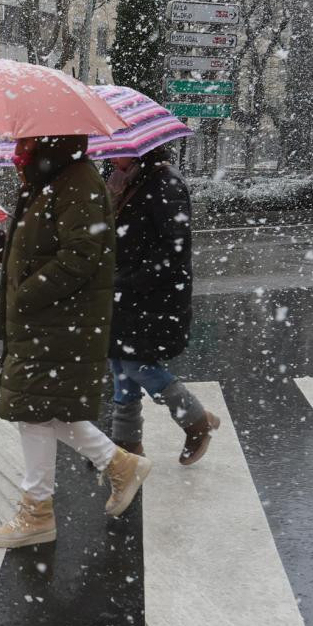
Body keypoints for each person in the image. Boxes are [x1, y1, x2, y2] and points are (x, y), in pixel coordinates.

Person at [0, 135, 153, 549]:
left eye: (27, 133)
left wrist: (25, 295)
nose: (18, 139)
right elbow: (42, 245)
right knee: (37, 406)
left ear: (47, 136)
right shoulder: (47, 176)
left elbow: (81, 253)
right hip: (45, 319)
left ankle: (41, 510)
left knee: (34, 407)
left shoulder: (74, 179)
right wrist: (5, 248)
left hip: (58, 319)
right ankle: (113, 466)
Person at [107, 146, 219, 464]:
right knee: (119, 362)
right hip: (125, 293)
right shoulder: (126, 180)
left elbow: (176, 248)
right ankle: (128, 444)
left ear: (141, 150)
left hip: (155, 297)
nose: (112, 157)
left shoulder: (164, 183)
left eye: (119, 151)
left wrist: (131, 278)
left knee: (135, 365)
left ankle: (196, 421)